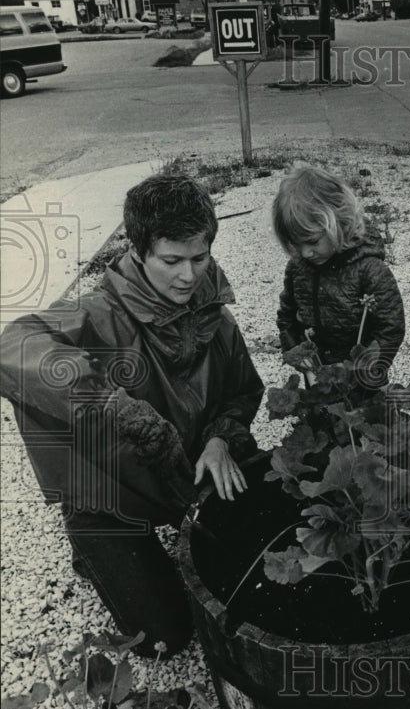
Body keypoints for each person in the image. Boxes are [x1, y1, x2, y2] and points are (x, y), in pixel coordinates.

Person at [0, 173, 264, 656]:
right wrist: (111, 403)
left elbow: (242, 393)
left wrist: (221, 438)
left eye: (199, 258)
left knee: (261, 560)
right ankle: (88, 543)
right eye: (172, 261)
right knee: (166, 638)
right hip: (113, 488)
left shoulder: (216, 317)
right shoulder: (98, 313)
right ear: (139, 252)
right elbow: (12, 346)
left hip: (188, 471)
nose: (188, 276)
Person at [272, 164, 405, 387]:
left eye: (313, 241)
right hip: (317, 373)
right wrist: (295, 350)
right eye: (297, 243)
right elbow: (287, 316)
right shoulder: (298, 267)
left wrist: (360, 369)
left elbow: (390, 328)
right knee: (319, 418)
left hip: (363, 379)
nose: (305, 252)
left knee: (361, 420)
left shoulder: (370, 270)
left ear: (339, 223)